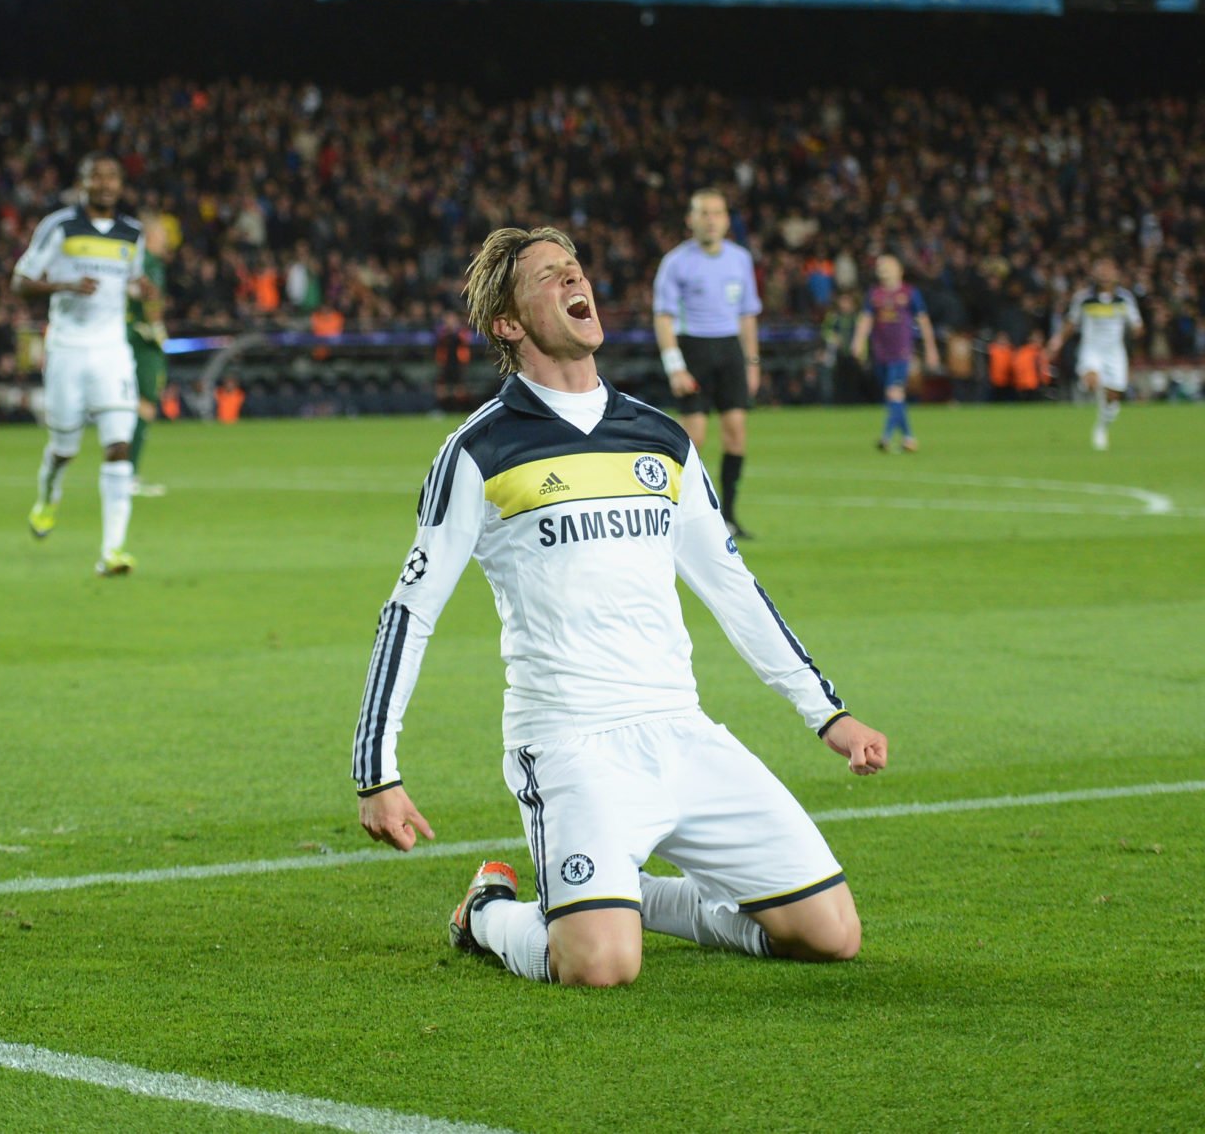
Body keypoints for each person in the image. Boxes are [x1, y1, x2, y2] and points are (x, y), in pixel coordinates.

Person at [353, 226, 887, 989]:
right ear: (508, 323)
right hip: (571, 742)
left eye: (577, 269)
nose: (577, 280)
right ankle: (489, 913)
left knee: (830, 935)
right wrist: (378, 770)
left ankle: (617, 896)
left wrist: (828, 715)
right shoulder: (479, 450)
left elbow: (733, 587)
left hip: (680, 729)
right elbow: (410, 609)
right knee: (601, 965)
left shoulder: (662, 440)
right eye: (549, 276)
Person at [14, 153, 157, 576]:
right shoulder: (58, 227)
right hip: (66, 349)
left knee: (119, 445)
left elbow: (129, 279)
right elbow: (19, 282)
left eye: (113, 177)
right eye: (97, 176)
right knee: (64, 448)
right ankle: (49, 493)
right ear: (83, 182)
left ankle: (112, 551)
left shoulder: (132, 234)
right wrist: (66, 284)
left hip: (112, 350)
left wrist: (141, 287)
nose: (106, 184)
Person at [653, 188, 761, 540]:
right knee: (693, 438)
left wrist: (752, 362)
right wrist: (675, 366)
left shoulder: (740, 259)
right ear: (691, 219)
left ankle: (729, 516)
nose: (711, 219)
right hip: (694, 349)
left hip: (729, 350)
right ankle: (680, 515)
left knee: (736, 436)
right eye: (704, 213)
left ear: (727, 219)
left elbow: (747, 316)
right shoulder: (676, 262)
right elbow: (663, 317)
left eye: (717, 212)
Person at [1046, 256, 1144, 450]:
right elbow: (1071, 323)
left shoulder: (1124, 298)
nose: (1105, 275)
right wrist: (1056, 342)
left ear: (1116, 274)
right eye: (1101, 270)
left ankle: (1101, 427)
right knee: (1091, 381)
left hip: (1115, 352)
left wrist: (1137, 331)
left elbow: (1137, 325)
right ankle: (1094, 389)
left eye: (1108, 270)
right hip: (1091, 350)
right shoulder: (1084, 298)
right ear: (1095, 274)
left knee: (1114, 398)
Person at [851, 254, 940, 452]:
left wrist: (931, 349)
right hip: (880, 351)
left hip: (901, 351)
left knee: (894, 392)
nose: (882, 269)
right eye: (880, 266)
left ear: (899, 270)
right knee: (894, 397)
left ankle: (887, 436)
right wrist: (858, 341)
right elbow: (866, 319)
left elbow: (923, 321)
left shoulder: (909, 293)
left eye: (887, 265)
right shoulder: (875, 294)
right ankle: (909, 437)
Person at [128, 215, 172, 497]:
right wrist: (156, 327)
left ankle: (125, 473)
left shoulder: (134, 261)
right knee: (144, 404)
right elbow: (151, 299)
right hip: (142, 340)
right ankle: (127, 475)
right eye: (162, 234)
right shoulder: (149, 263)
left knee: (136, 405)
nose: (166, 240)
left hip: (129, 336)